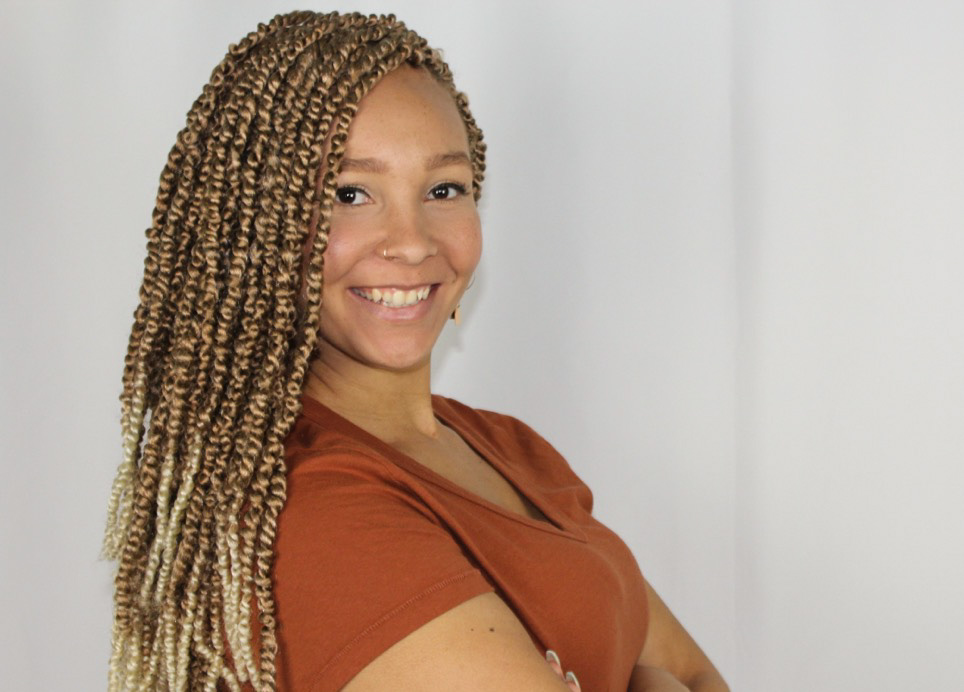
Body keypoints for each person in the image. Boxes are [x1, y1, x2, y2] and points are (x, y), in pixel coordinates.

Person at [103, 11, 729, 692]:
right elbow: (673, 674)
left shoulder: (506, 448)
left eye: (443, 189)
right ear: (258, 229)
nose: (411, 241)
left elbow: (696, 671)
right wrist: (650, 683)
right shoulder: (314, 505)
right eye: (350, 193)